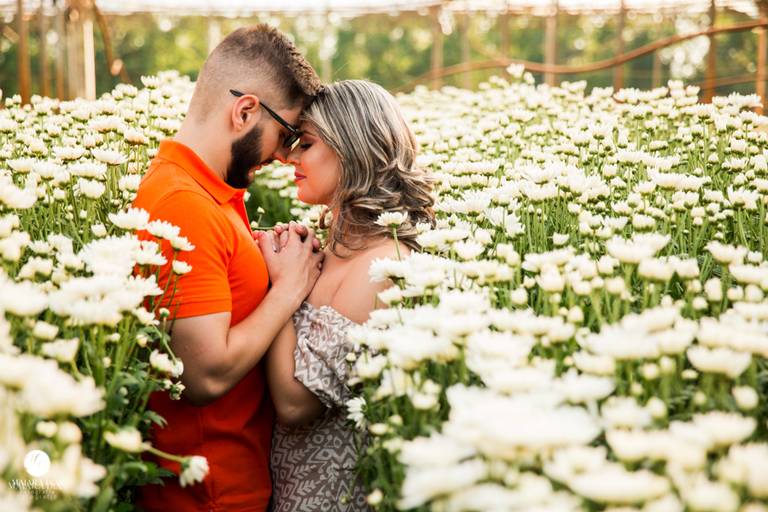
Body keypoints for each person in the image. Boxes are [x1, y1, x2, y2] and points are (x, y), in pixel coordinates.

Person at [132, 25, 324, 512]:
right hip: (210, 493)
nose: (285, 157)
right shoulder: (185, 205)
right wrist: (289, 287)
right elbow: (206, 376)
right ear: (245, 112)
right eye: (286, 137)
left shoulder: (206, 192)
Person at [260, 80, 435, 511]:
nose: (291, 158)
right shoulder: (326, 244)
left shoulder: (386, 265)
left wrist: (284, 287)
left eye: (308, 144)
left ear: (352, 148)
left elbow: (296, 403)